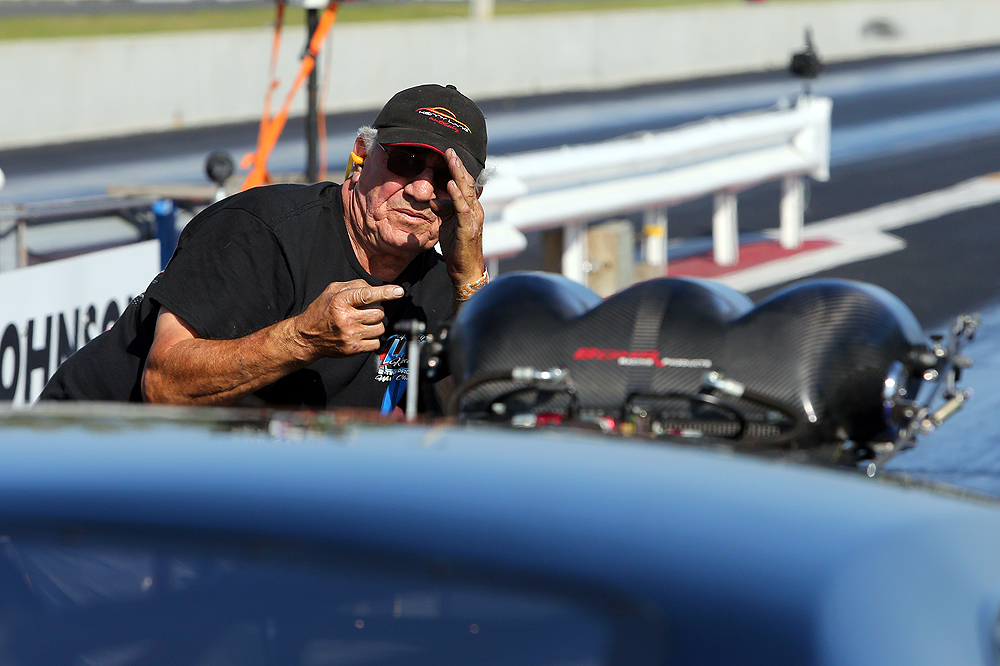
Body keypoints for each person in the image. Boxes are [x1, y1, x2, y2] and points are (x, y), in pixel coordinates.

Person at [39, 84, 490, 413]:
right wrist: (301, 338)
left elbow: (480, 415)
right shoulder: (259, 230)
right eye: (406, 162)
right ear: (360, 155)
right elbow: (164, 386)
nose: (421, 190)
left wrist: (470, 280)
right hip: (91, 456)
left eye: (446, 179)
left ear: (471, 198)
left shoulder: (447, 286)